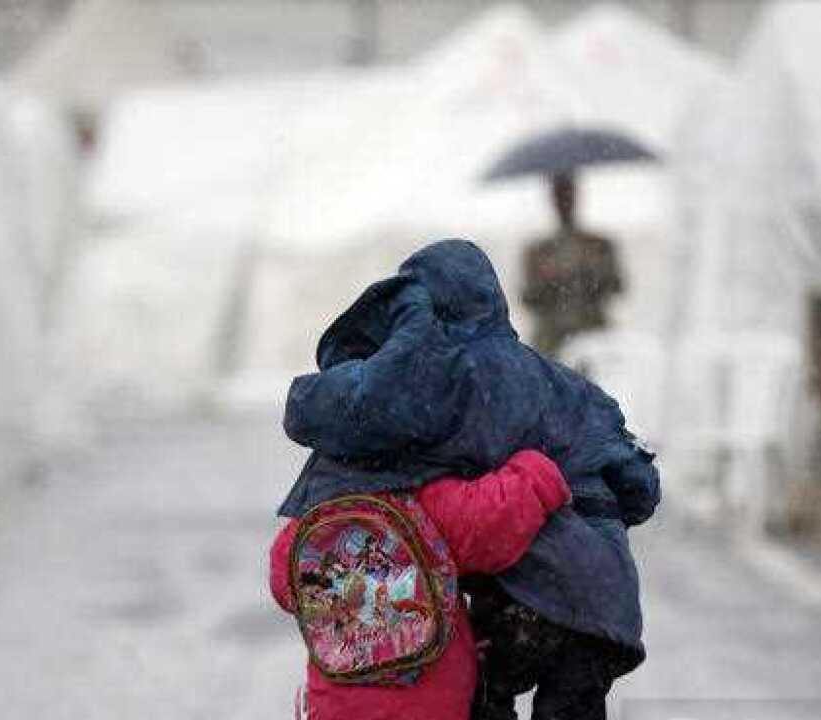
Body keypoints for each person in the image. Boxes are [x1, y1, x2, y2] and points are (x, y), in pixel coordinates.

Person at [279, 239, 659, 720]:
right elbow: (637, 482)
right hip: (609, 606)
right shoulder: (553, 380)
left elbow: (359, 425)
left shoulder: (439, 379)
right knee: (573, 699)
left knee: (483, 692)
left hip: (523, 602)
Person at [270, 450, 571, 720]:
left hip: (336, 706)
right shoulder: (424, 502)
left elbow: (283, 585)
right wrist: (537, 472)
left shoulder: (307, 527)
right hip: (429, 704)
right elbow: (492, 518)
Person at [521, 173, 624, 357]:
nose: (564, 202)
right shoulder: (539, 251)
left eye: (568, 194)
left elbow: (617, 286)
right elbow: (528, 298)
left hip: (593, 333)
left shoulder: (598, 245)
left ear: (576, 196)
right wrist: (548, 280)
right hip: (551, 340)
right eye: (559, 195)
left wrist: (591, 271)